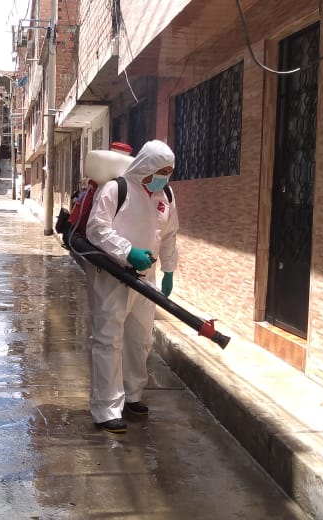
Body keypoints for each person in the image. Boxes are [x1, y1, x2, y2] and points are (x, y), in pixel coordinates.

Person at [84, 139, 178, 433]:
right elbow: (96, 229)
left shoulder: (166, 195)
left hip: (146, 279)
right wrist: (127, 252)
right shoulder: (116, 190)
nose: (164, 178)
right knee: (108, 339)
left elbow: (170, 234)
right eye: (160, 172)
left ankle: (132, 394)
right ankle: (106, 409)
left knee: (140, 338)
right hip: (114, 276)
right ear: (145, 166)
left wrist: (169, 270)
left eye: (169, 172)